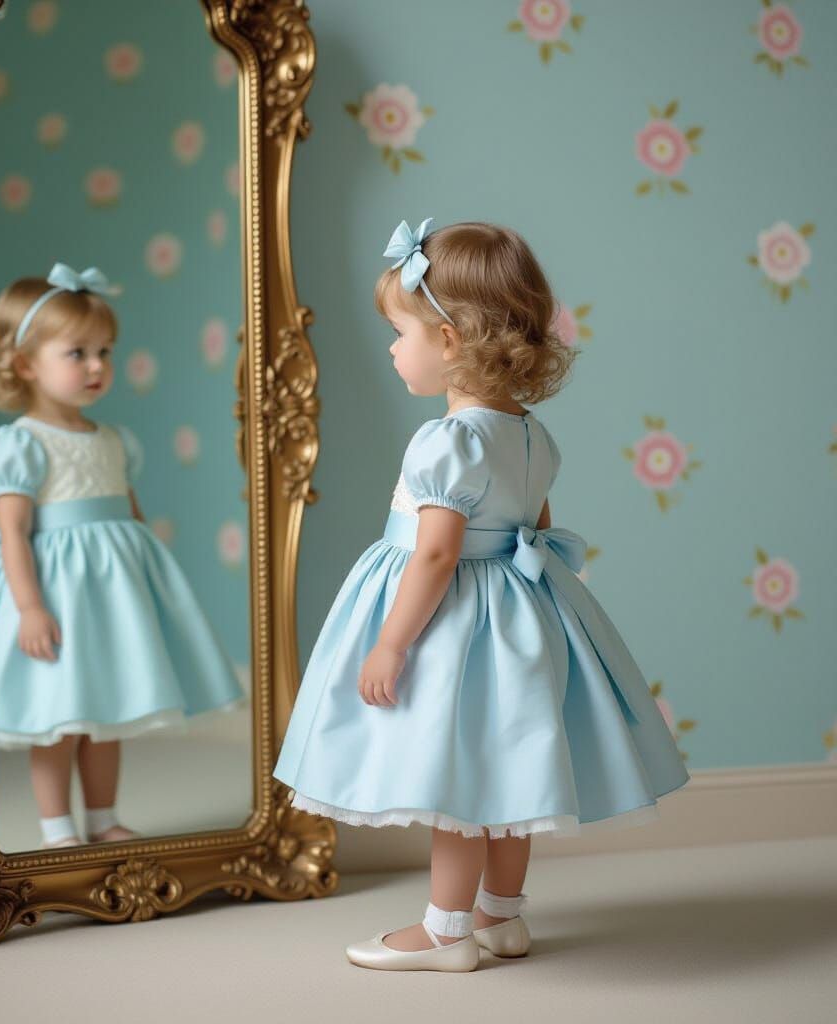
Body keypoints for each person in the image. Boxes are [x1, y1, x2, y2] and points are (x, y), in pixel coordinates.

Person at [273, 219, 690, 972]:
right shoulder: (530, 435)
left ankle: (445, 930)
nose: (394, 350)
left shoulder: (447, 440)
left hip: (453, 620)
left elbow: (434, 553)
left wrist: (393, 641)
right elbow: (539, 529)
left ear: (451, 339)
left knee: (456, 778)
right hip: (521, 615)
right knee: (510, 774)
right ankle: (503, 917)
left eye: (401, 333)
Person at [0, 262, 245, 850]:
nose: (98, 366)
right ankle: (57, 830)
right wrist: (29, 608)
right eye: (78, 353)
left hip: (111, 597)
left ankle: (103, 818)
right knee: (60, 719)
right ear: (26, 363)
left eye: (105, 351)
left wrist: (147, 594)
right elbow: (13, 533)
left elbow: (132, 519)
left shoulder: (113, 441)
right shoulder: (20, 444)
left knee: (108, 716)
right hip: (56, 595)